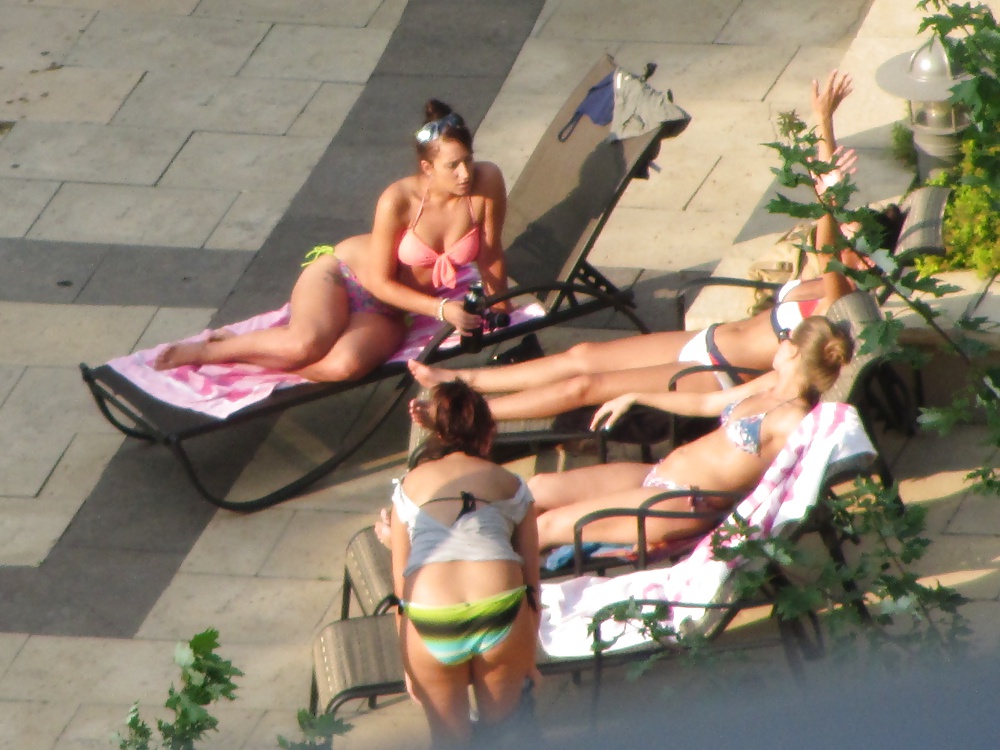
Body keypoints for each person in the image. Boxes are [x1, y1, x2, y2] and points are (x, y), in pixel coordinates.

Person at [407, 71, 900, 421]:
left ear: (865, 259)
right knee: (580, 354)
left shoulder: (841, 295)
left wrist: (832, 202)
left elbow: (827, 235)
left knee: (586, 386)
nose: (848, 237)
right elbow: (826, 234)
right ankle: (462, 383)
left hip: (719, 374)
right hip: (706, 342)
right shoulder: (827, 279)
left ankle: (469, 414)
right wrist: (824, 124)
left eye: (858, 239)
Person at [153, 100, 510, 382]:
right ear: (427, 168)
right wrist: (440, 309)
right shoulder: (398, 200)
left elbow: (490, 253)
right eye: (453, 166)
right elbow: (382, 280)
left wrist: (502, 308)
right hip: (345, 277)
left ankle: (263, 365)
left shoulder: (487, 181)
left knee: (342, 367)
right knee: (304, 344)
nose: (465, 174)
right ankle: (209, 351)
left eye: (468, 160)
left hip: (392, 308)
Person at [527, 315, 852, 549]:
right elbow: (708, 402)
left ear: (794, 352)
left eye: (787, 339)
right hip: (657, 475)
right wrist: (636, 397)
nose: (780, 343)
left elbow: (776, 491)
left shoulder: (793, 419)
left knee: (545, 527)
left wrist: (699, 537)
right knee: (535, 491)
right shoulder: (770, 384)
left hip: (682, 503)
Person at [387, 380, 541, 746]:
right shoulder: (512, 485)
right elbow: (532, 583)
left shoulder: (408, 486)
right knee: (502, 736)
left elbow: (400, 588)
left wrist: (409, 664)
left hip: (429, 615)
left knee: (448, 741)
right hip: (499, 605)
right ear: (488, 434)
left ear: (435, 435)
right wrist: (527, 656)